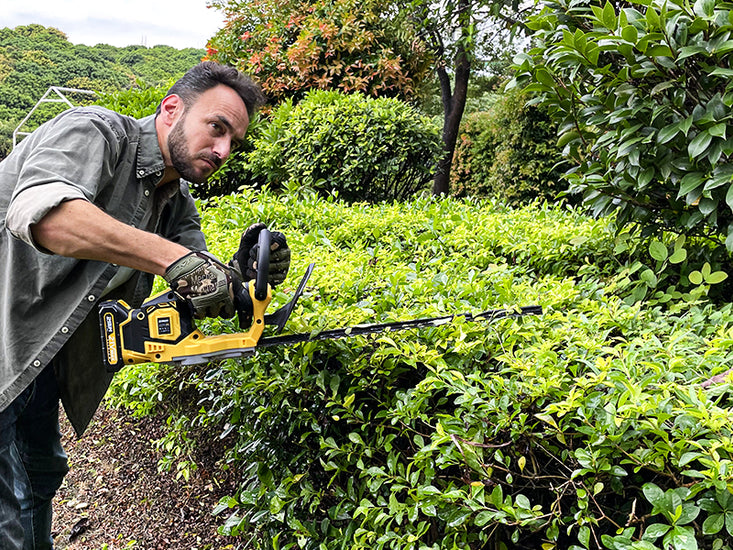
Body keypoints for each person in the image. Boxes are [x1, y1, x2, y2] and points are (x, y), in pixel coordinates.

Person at [0, 61, 290, 549]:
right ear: (172, 108)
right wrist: (173, 260)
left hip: (39, 361)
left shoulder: (173, 198)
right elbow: (46, 217)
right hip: (5, 344)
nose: (222, 150)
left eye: (233, 142)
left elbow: (197, 285)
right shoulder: (95, 132)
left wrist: (240, 280)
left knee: (33, 490)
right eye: (216, 128)